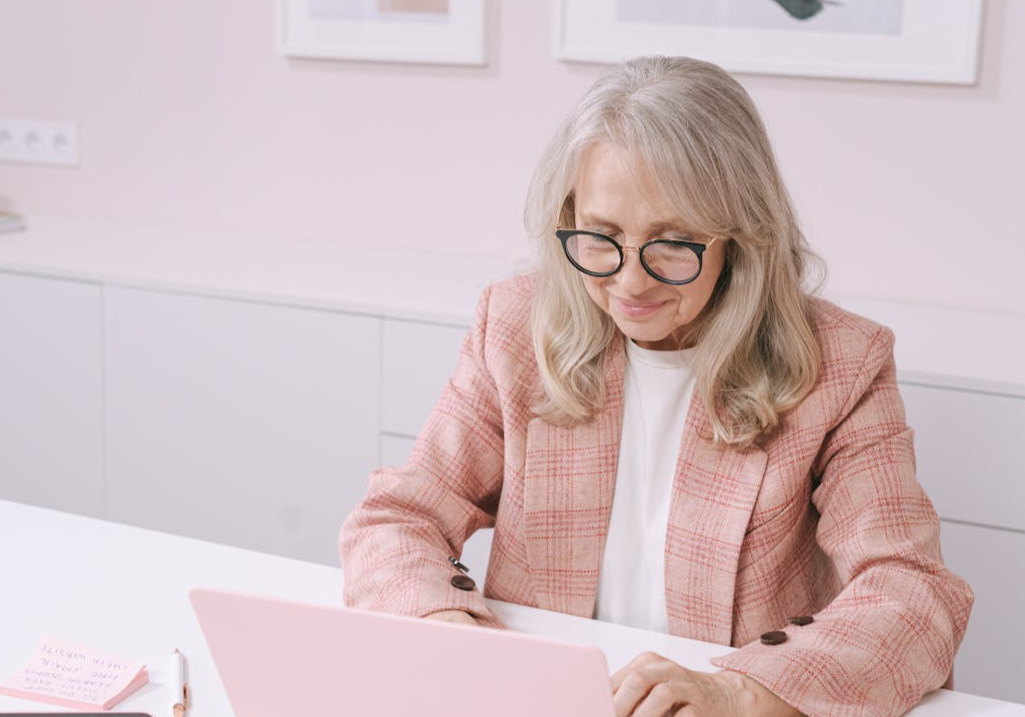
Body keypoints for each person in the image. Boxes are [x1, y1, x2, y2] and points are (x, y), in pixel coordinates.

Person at [339, 56, 972, 717]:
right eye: (602, 237)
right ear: (568, 216)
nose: (630, 282)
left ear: (740, 239)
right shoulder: (514, 327)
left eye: (673, 243)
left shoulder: (842, 362)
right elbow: (397, 519)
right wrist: (456, 636)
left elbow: (912, 591)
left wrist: (740, 692)